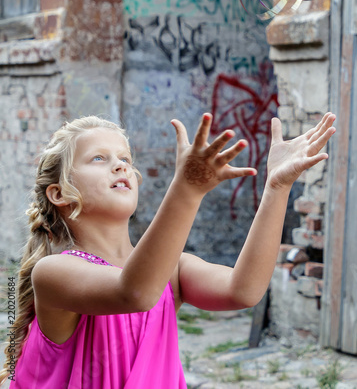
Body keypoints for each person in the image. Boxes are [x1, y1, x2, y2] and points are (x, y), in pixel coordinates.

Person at [0, 111, 336, 388]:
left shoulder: (171, 269)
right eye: (99, 158)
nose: (120, 166)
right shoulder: (54, 272)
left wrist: (277, 186)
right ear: (59, 194)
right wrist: (187, 189)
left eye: (125, 159)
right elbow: (134, 293)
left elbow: (243, 290)